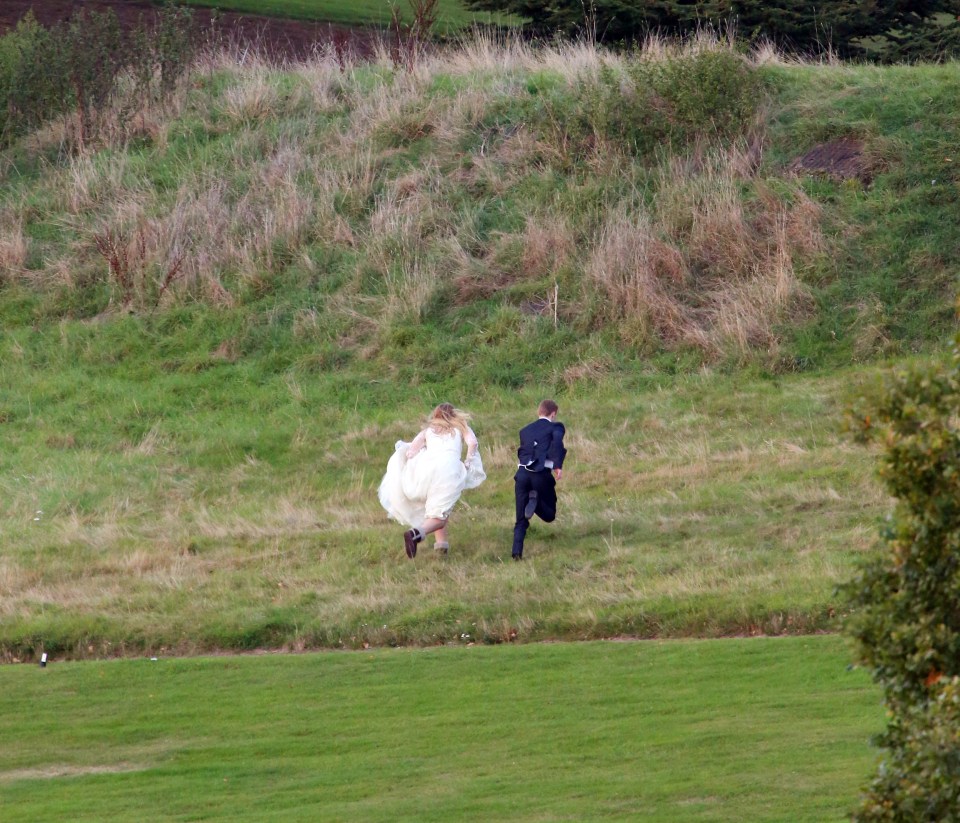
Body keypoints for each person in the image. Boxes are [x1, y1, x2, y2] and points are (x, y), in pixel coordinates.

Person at [378, 403, 486, 559]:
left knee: (438, 506)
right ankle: (416, 534)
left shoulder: (428, 430)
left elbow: (411, 451)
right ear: (454, 414)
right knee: (440, 516)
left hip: (426, 471)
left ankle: (441, 545)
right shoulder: (461, 426)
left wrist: (413, 457)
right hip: (448, 469)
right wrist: (469, 461)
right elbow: (473, 443)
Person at [512, 399, 567, 560]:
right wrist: (558, 464)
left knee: (520, 518)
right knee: (549, 515)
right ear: (553, 413)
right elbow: (557, 442)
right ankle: (534, 502)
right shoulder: (556, 427)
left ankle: (516, 552)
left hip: (521, 474)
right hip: (541, 475)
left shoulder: (525, 430)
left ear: (539, 412)